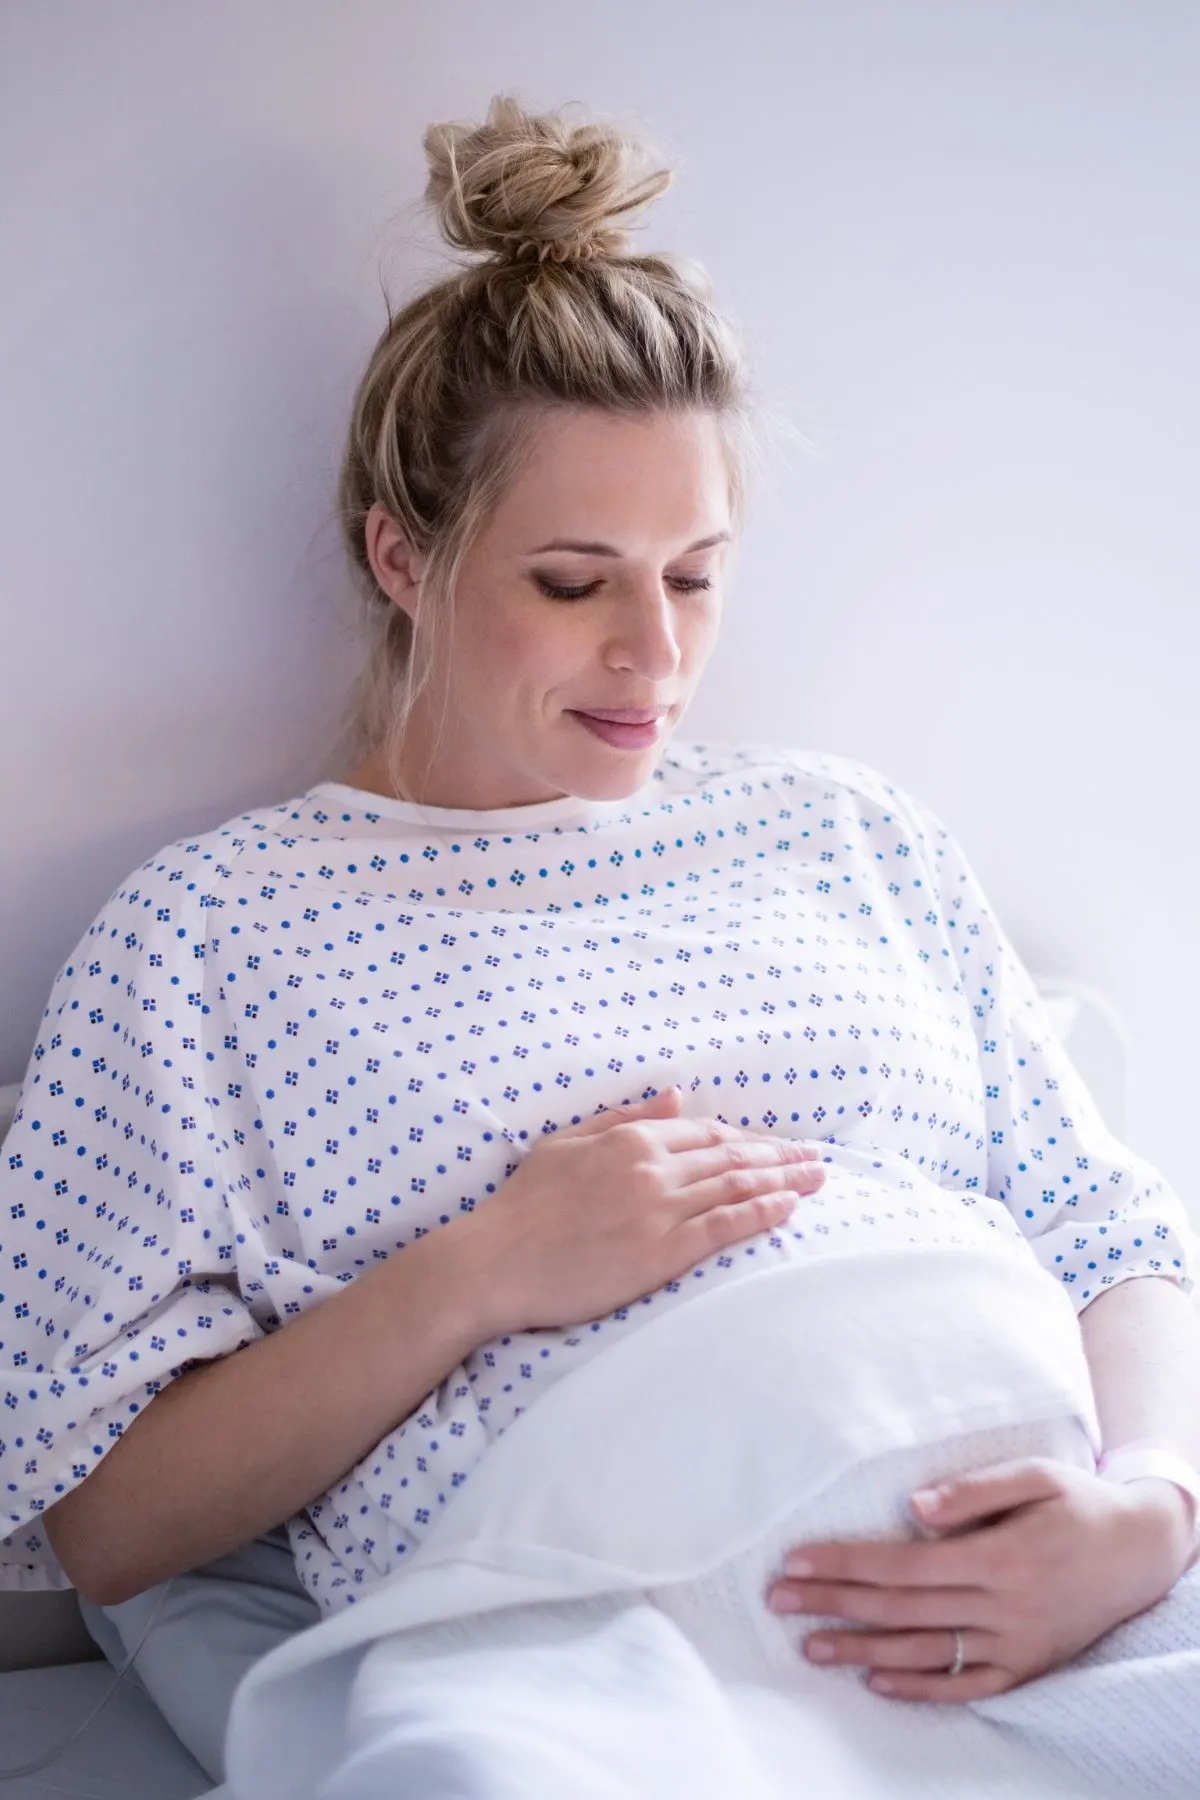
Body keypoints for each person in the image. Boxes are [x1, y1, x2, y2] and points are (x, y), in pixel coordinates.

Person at [1, 94, 1198, 1789]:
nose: (654, 655)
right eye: (575, 582)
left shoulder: (842, 831)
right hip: (601, 1623)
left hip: (1070, 1576)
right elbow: (107, 1519)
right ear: (402, 555)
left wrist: (1151, 1502)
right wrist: (486, 1269)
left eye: (695, 577)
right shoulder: (211, 937)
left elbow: (1107, 1224)